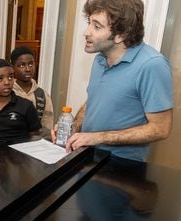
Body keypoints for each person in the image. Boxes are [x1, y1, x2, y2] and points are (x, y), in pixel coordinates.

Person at [52, 0, 173, 162]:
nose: (86, 32)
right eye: (89, 23)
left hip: (122, 167)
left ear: (121, 34)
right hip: (87, 157)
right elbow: (94, 101)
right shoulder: (100, 59)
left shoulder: (152, 65)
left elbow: (160, 128)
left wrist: (98, 137)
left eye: (97, 26)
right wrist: (74, 126)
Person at [0, 59, 41, 144]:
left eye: (10, 77)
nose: (7, 82)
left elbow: (35, 134)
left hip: (19, 155)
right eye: (0, 79)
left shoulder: (26, 106)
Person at [11, 46, 54, 130]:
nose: (28, 69)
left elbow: (47, 127)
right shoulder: (8, 92)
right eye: (22, 65)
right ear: (13, 67)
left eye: (31, 64)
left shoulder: (42, 95)